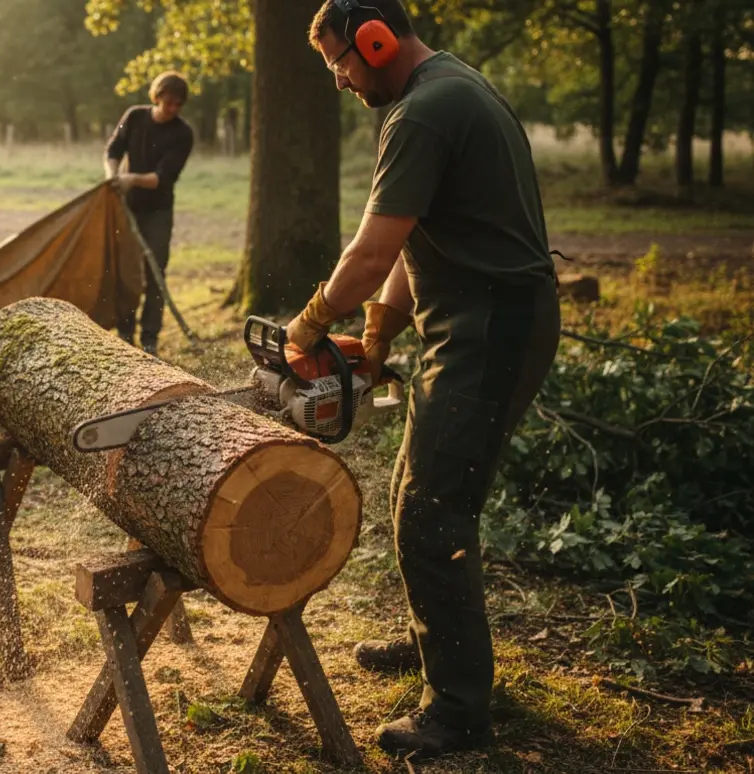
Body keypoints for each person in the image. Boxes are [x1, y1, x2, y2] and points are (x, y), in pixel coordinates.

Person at [285, 0, 562, 760]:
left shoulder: (422, 113)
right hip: (474, 323)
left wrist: (306, 328)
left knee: (434, 508)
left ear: (374, 38)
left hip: (490, 331)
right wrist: (376, 336)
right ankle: (435, 642)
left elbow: (371, 253)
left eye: (340, 61)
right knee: (420, 485)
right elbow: (412, 244)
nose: (340, 79)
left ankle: (460, 711)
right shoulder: (445, 90)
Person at [104, 71, 195, 356]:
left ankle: (150, 339)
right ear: (156, 97)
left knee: (155, 272)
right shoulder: (134, 117)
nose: (173, 109)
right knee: (126, 271)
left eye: (178, 104)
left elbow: (162, 178)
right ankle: (125, 334)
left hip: (158, 211)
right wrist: (113, 177)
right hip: (127, 208)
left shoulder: (183, 134)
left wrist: (130, 179)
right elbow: (113, 149)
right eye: (168, 102)